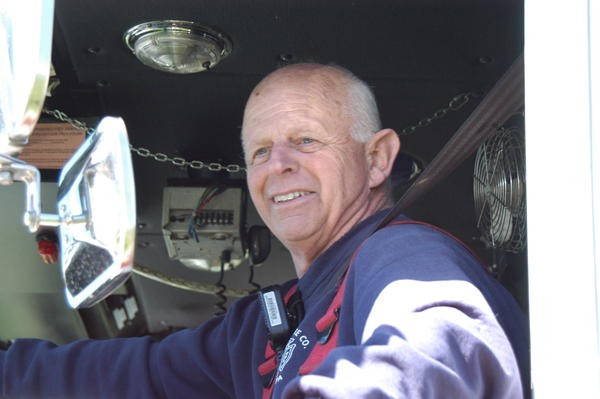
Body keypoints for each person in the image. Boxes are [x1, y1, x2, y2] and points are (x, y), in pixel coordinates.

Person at [0, 63, 528, 398]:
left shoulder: (402, 256)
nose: (278, 165)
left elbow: (441, 348)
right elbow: (129, 375)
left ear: (376, 159)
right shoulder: (265, 327)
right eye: (259, 151)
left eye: (305, 140)